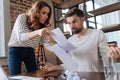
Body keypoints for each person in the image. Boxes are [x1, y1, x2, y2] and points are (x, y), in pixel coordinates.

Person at [40, 7, 109, 72]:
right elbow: (71, 65)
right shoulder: (70, 41)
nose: (72, 26)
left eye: (74, 22)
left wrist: (115, 57)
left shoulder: (97, 34)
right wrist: (54, 67)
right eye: (69, 23)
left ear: (82, 20)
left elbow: (107, 59)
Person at [8, 0, 53, 75]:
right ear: (36, 12)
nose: (46, 16)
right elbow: (21, 38)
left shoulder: (42, 26)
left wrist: (60, 49)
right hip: (15, 49)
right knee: (15, 77)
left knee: (33, 75)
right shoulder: (22, 17)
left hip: (30, 50)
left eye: (47, 14)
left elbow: (47, 43)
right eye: (43, 13)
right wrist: (38, 32)